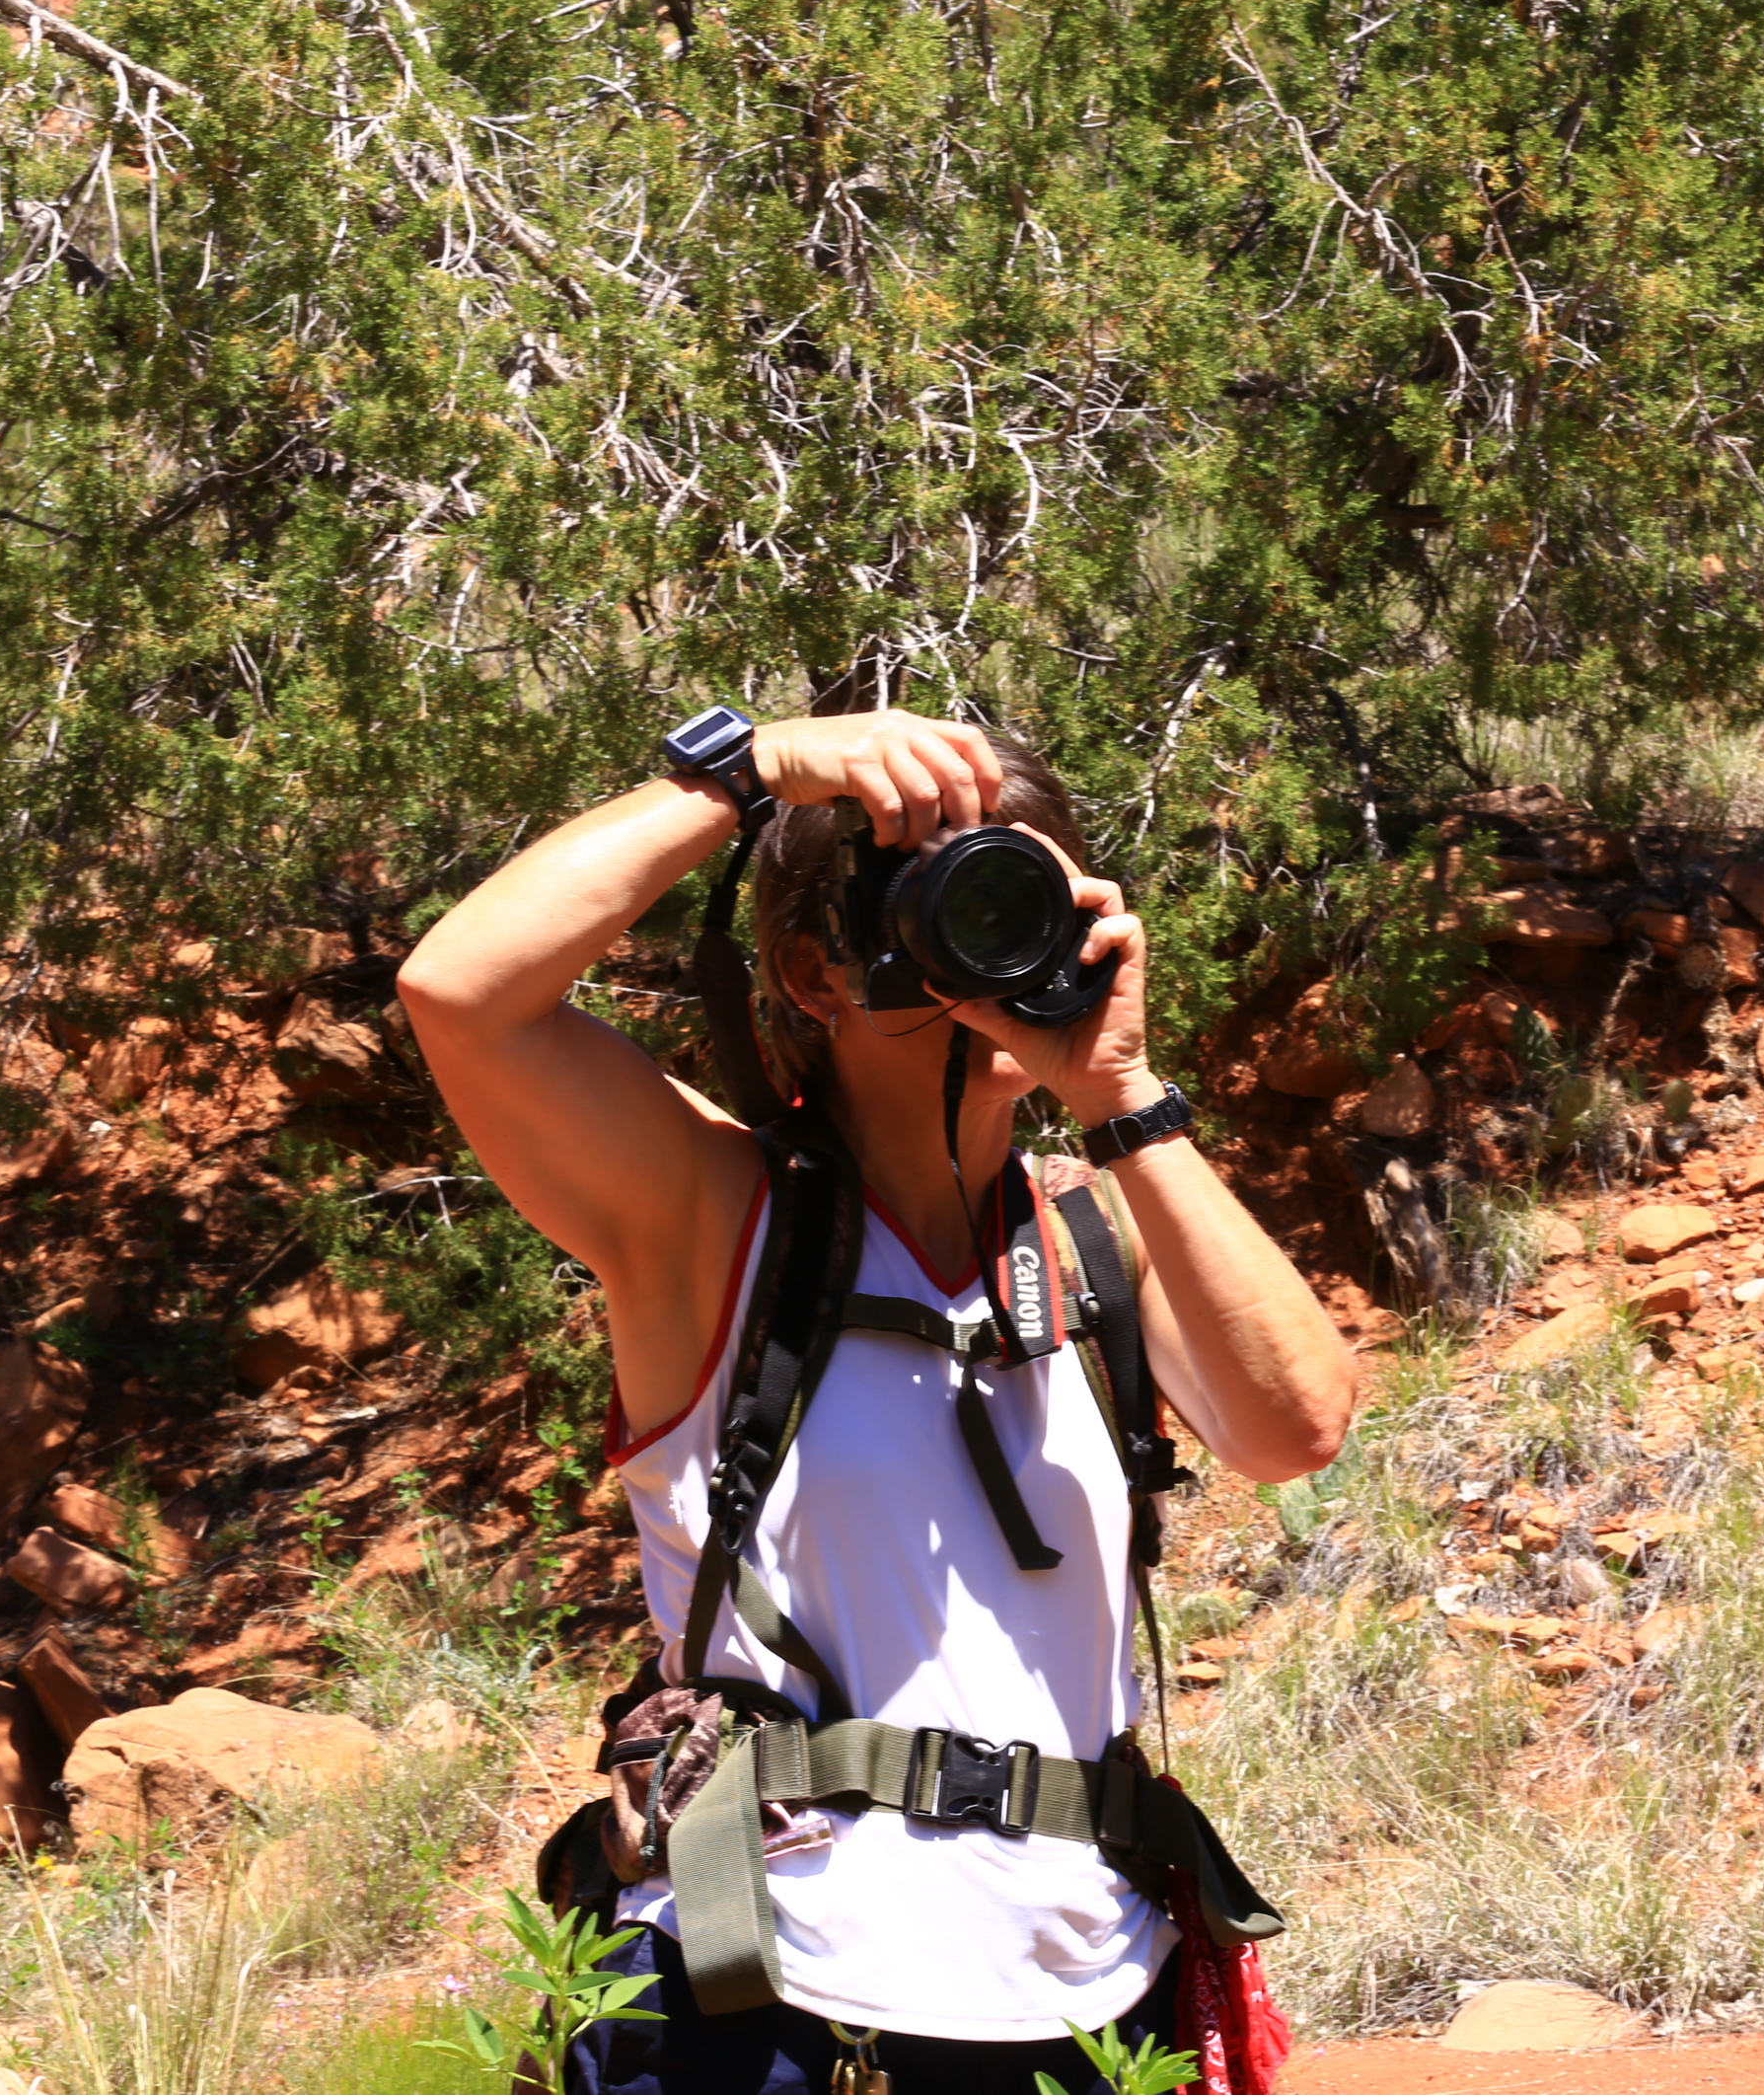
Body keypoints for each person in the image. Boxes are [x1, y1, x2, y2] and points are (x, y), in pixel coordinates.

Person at [396, 709, 1358, 2093]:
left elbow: (1295, 1427)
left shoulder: (1097, 1235)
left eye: (1024, 896)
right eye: (945, 901)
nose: (992, 944)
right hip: (774, 1995)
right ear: (815, 967)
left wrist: (1125, 1095)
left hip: (1092, 1996)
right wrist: (748, 770)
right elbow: (461, 994)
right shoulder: (714, 1213)